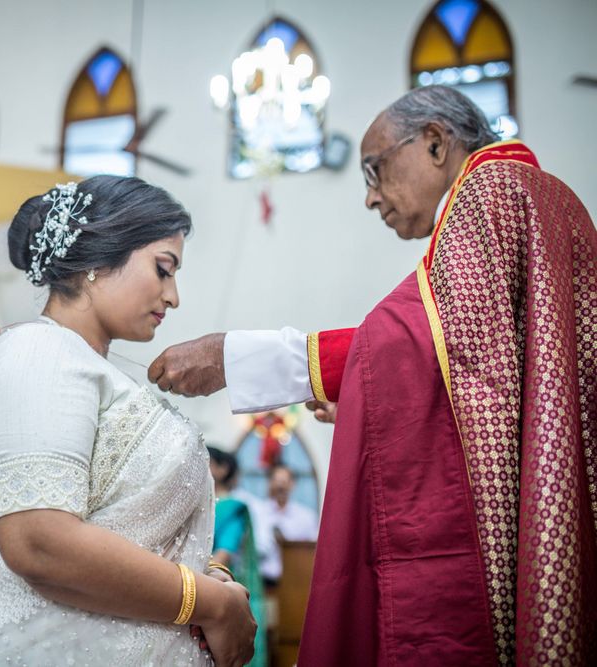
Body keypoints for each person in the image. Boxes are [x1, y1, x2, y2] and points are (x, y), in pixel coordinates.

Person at [149, 86, 596, 664]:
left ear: (436, 143)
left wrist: (233, 356)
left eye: (375, 169)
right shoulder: (539, 197)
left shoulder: (491, 193)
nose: (369, 197)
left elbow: (410, 342)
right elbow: (488, 386)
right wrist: (381, 407)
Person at [0, 176, 256, 667]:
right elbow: (39, 540)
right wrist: (207, 602)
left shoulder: (85, 366)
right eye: (163, 269)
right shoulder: (39, 352)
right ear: (99, 259)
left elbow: (114, 521)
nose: (174, 295)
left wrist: (195, 573)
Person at [207, 448, 266, 667]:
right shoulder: (197, 504)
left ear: (223, 469)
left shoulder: (233, 508)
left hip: (213, 584)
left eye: (207, 461)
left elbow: (223, 554)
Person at [255, 465, 317, 585]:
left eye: (284, 482)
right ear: (270, 483)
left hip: (295, 582)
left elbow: (312, 551)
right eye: (276, 481)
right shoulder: (259, 513)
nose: (280, 486)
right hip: (263, 581)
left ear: (292, 484)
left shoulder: (307, 517)